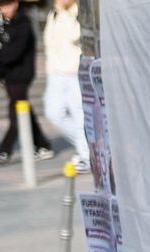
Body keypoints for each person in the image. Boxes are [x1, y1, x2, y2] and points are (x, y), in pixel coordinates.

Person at [0, 0, 54, 165]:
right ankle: (43, 146)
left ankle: (5, 151)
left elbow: (13, 53)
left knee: (15, 112)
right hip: (8, 74)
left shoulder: (24, 23)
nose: (3, 9)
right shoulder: (2, 22)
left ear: (15, 4)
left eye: (6, 5)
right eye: (0, 6)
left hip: (21, 75)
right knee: (24, 110)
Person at [43, 0, 88, 172]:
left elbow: (75, 36)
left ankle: (86, 155)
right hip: (56, 72)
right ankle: (90, 146)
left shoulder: (80, 13)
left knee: (79, 114)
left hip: (75, 71)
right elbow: (49, 42)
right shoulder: (53, 13)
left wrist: (67, 14)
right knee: (53, 113)